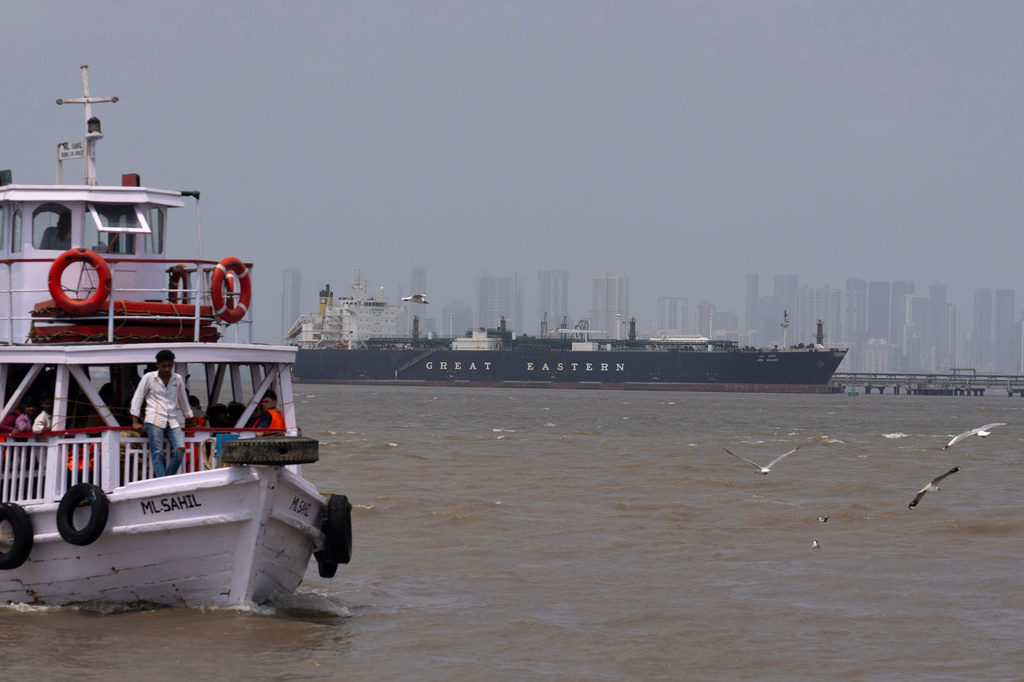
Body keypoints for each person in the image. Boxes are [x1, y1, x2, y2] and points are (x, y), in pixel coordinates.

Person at [130, 349, 195, 477]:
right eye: (164, 366)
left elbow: (183, 401)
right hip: (153, 419)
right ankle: (165, 481)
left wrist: (191, 419)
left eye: (170, 365)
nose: (167, 369)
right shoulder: (148, 378)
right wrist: (135, 421)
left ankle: (165, 479)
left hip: (172, 420)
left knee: (180, 449)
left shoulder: (177, 379)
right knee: (157, 453)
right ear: (157, 365)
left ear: (173, 364)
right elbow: (138, 398)